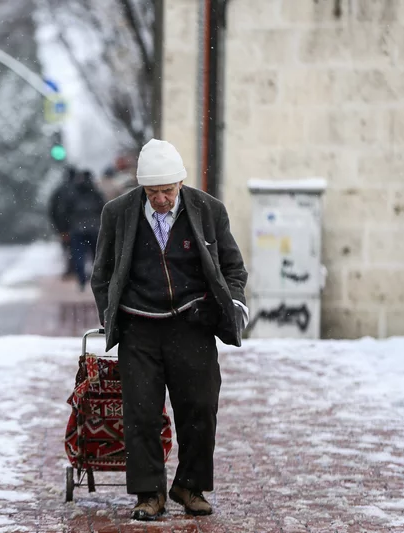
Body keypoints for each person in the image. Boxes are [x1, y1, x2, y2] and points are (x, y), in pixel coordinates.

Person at [90, 139, 249, 520]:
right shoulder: (118, 213)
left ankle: (190, 486)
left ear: (181, 182)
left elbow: (233, 267)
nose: (161, 199)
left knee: (200, 407)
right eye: (152, 192)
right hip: (139, 326)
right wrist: (110, 315)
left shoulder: (208, 210)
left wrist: (235, 304)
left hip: (192, 322)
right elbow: (102, 273)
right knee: (141, 413)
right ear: (141, 188)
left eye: (167, 190)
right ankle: (149, 494)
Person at [64, 169, 105, 290]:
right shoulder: (96, 192)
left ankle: (81, 280)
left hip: (77, 228)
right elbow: (104, 208)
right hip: (94, 228)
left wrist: (66, 227)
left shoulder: (73, 192)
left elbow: (66, 211)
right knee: (97, 256)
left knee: (79, 255)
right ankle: (98, 280)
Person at [48, 166, 77, 280]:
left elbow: (52, 209)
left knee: (67, 248)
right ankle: (76, 268)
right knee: (79, 248)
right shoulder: (78, 189)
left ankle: (70, 269)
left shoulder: (59, 190)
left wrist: (57, 227)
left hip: (64, 225)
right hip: (77, 224)